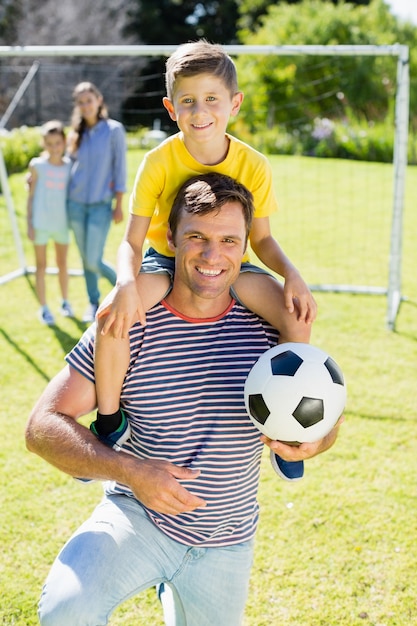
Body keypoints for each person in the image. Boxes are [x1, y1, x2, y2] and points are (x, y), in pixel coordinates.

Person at [26, 173, 342, 626]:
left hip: (227, 539)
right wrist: (130, 471)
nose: (213, 256)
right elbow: (42, 426)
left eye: (229, 240)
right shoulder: (127, 321)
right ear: (171, 237)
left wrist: (317, 441)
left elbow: (327, 418)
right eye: (197, 237)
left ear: (245, 245)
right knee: (66, 610)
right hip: (137, 518)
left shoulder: (269, 330)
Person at [93, 40, 317, 481]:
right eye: (188, 101)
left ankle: (286, 427)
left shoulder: (253, 165)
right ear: (171, 107)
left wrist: (291, 274)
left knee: (297, 311)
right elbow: (132, 240)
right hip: (169, 260)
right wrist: (124, 283)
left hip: (235, 265)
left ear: (234, 103)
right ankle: (108, 419)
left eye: (212, 99)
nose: (201, 111)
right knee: (113, 315)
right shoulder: (158, 162)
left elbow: (263, 238)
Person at [66, 81, 127, 323]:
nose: (85, 105)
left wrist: (119, 203)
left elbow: (120, 168)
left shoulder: (114, 130)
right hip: (75, 205)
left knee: (93, 258)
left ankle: (125, 290)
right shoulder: (76, 134)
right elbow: (66, 165)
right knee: (85, 259)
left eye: (89, 100)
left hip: (101, 205)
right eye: (80, 102)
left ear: (98, 100)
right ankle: (93, 302)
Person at [26, 120, 73, 326]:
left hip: (61, 223)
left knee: (62, 264)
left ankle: (65, 302)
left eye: (58, 143)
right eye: (50, 143)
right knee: (41, 265)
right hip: (40, 223)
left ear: (64, 142)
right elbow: (31, 196)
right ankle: (44, 308)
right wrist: (29, 223)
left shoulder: (70, 166)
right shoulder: (37, 166)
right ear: (44, 144)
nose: (54, 148)